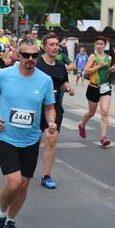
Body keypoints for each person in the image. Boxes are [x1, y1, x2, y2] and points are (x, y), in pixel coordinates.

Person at [0, 38, 56, 228]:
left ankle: (11, 221)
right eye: (26, 55)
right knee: (13, 183)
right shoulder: (4, 75)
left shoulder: (45, 80)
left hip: (31, 140)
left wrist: (52, 121)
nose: (30, 59)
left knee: (23, 185)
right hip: (6, 137)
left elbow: (50, 107)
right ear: (18, 55)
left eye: (34, 55)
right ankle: (1, 214)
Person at [36, 33, 75, 189]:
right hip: (36, 107)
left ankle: (46, 175)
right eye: (51, 44)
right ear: (44, 47)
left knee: (51, 139)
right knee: (33, 141)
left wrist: (68, 88)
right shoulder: (37, 63)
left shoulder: (60, 65)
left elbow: (62, 82)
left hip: (54, 107)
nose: (55, 47)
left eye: (56, 44)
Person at [78, 36, 115, 147]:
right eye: (97, 44)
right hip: (93, 88)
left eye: (101, 44)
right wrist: (98, 66)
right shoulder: (93, 57)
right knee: (91, 113)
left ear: (105, 45)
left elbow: (106, 73)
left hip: (105, 87)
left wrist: (111, 70)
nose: (99, 46)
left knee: (104, 112)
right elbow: (86, 72)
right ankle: (82, 125)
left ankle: (103, 137)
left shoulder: (108, 58)